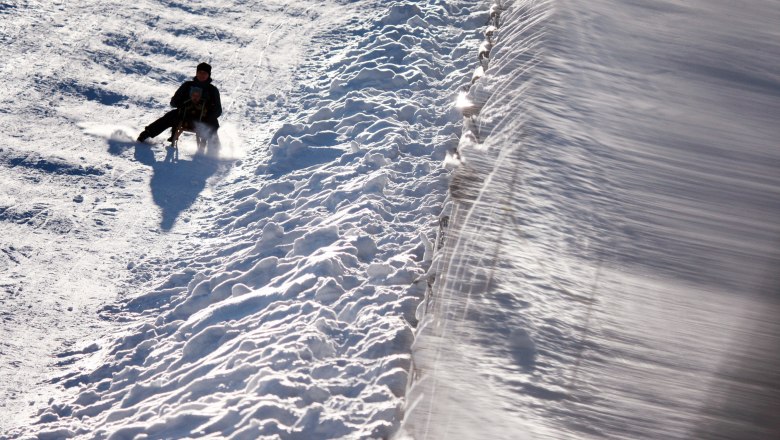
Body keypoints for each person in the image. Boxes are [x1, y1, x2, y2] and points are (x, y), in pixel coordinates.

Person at [137, 62, 222, 150]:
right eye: (200, 72)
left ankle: (214, 148)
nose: (202, 75)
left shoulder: (212, 90)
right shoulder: (187, 85)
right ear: (196, 73)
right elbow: (173, 102)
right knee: (170, 115)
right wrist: (183, 103)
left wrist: (208, 113)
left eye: (205, 73)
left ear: (209, 75)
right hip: (184, 116)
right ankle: (147, 133)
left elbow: (218, 110)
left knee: (213, 122)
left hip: (202, 119)